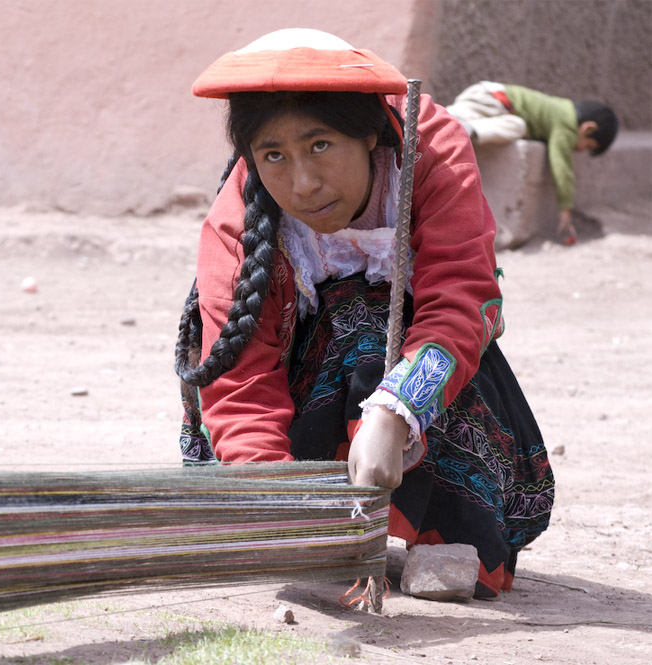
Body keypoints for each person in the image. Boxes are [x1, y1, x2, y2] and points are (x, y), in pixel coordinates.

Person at [175, 28, 555, 598]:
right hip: (297, 402)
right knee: (343, 319)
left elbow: (459, 299)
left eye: (320, 145)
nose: (301, 183)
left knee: (373, 317)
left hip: (419, 387)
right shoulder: (239, 221)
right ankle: (329, 522)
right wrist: (278, 498)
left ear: (371, 132)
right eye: (273, 155)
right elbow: (240, 381)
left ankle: (444, 537)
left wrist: (395, 412)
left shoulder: (429, 149)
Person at [445, 82, 619, 245]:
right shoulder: (566, 125)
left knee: (450, 120)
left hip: (484, 95)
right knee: (518, 125)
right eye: (587, 145)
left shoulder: (560, 112)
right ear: (588, 128)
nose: (580, 150)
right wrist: (565, 211)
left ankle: (458, 126)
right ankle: (464, 129)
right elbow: (562, 168)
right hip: (491, 101)